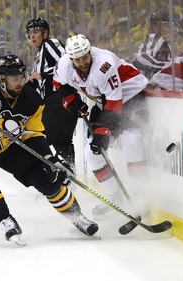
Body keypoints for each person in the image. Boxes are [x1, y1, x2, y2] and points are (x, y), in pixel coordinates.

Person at [0, 54, 99, 245]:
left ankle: (76, 216)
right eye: (15, 79)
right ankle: (5, 219)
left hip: (8, 146)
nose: (20, 82)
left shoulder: (32, 99)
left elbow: (34, 134)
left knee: (45, 177)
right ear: (1, 79)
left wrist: (51, 159)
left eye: (22, 77)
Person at [53, 34, 149, 219]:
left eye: (85, 57)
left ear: (90, 52)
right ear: (71, 58)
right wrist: (72, 101)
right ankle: (116, 198)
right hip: (104, 102)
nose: (82, 62)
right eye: (77, 59)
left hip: (132, 96)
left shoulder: (103, 65)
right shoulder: (64, 65)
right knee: (92, 153)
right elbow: (58, 84)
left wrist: (103, 132)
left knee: (132, 140)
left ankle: (140, 197)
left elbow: (114, 104)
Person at [25, 17, 78, 168]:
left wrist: (42, 76)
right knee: (62, 143)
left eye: (36, 32)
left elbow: (68, 63)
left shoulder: (50, 43)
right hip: (62, 102)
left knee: (39, 139)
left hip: (59, 100)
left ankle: (49, 179)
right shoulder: (40, 53)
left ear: (45, 33)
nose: (32, 36)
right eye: (30, 33)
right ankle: (68, 179)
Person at [132, 11, 173, 79]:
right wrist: (166, 67)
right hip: (142, 83)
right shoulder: (154, 37)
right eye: (168, 26)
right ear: (156, 27)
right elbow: (141, 58)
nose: (172, 30)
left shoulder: (166, 45)